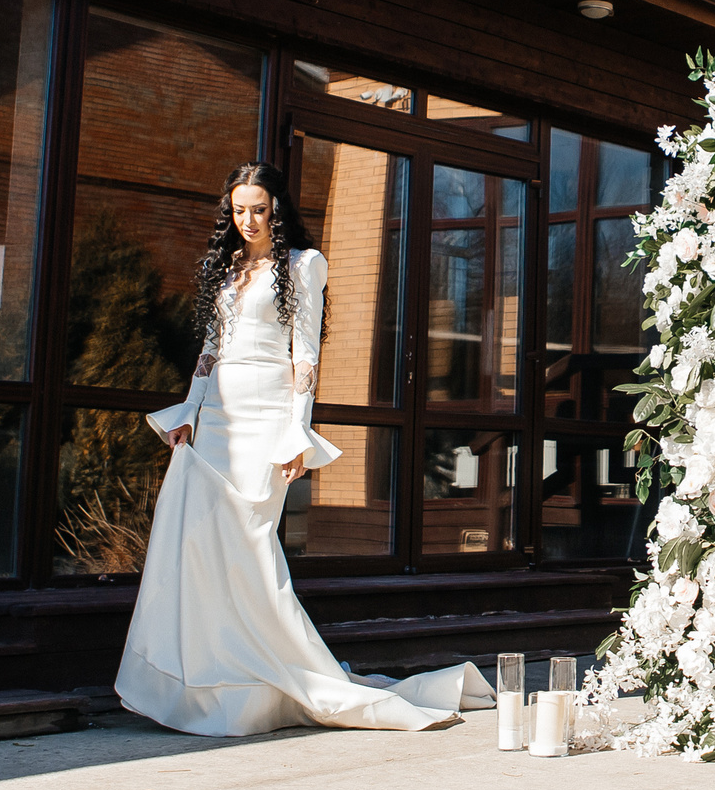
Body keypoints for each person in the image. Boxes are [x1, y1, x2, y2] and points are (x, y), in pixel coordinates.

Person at [116, 163, 491, 735]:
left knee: (254, 556)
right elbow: (210, 351)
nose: (248, 220)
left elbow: (305, 357)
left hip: (267, 419)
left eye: (258, 209)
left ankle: (280, 676)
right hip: (213, 421)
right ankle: (207, 681)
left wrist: (296, 432)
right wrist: (188, 413)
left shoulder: (303, 266)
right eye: (238, 209)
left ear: (278, 209)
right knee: (194, 550)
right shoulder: (228, 268)